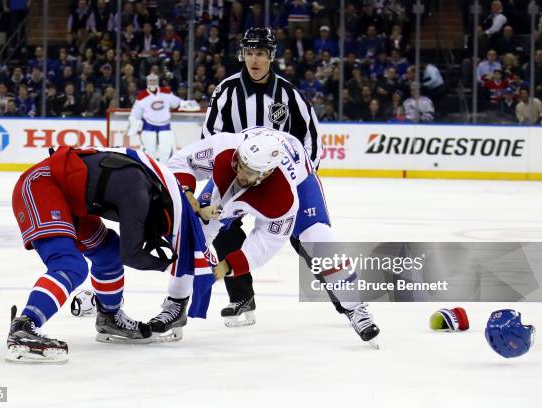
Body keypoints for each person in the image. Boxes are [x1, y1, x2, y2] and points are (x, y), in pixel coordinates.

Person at [164, 127, 380, 345]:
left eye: (248, 172)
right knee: (195, 233)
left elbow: (265, 244)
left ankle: (355, 308)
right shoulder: (225, 148)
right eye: (240, 164)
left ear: (266, 173)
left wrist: (227, 265)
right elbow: (182, 160)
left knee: (319, 239)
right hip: (247, 167)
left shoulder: (282, 198)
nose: (240, 174)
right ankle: (176, 304)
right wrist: (188, 193)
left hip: (299, 182)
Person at [7, 146, 215, 363]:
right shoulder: (139, 195)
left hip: (74, 200)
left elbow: (123, 251)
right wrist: (173, 267)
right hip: (43, 186)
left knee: (109, 253)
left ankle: (109, 316)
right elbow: (131, 254)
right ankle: (24, 326)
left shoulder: (149, 187)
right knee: (70, 265)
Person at [202, 27, 322, 324]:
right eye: (250, 54)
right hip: (239, 178)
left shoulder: (290, 94)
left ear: (271, 57)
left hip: (278, 180)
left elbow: (311, 137)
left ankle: (344, 297)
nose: (254, 61)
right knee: (221, 229)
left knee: (306, 237)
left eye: (261, 54)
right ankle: (242, 298)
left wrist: (303, 179)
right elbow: (210, 136)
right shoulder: (226, 91)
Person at [127, 73, 185, 163]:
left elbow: (177, 103)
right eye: (150, 81)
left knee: (166, 151)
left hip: (165, 125)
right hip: (148, 126)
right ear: (147, 82)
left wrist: (186, 104)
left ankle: (165, 172)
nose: (152, 83)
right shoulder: (141, 97)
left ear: (157, 81)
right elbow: (135, 115)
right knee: (149, 153)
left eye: (154, 81)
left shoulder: (166, 92)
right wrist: (133, 127)